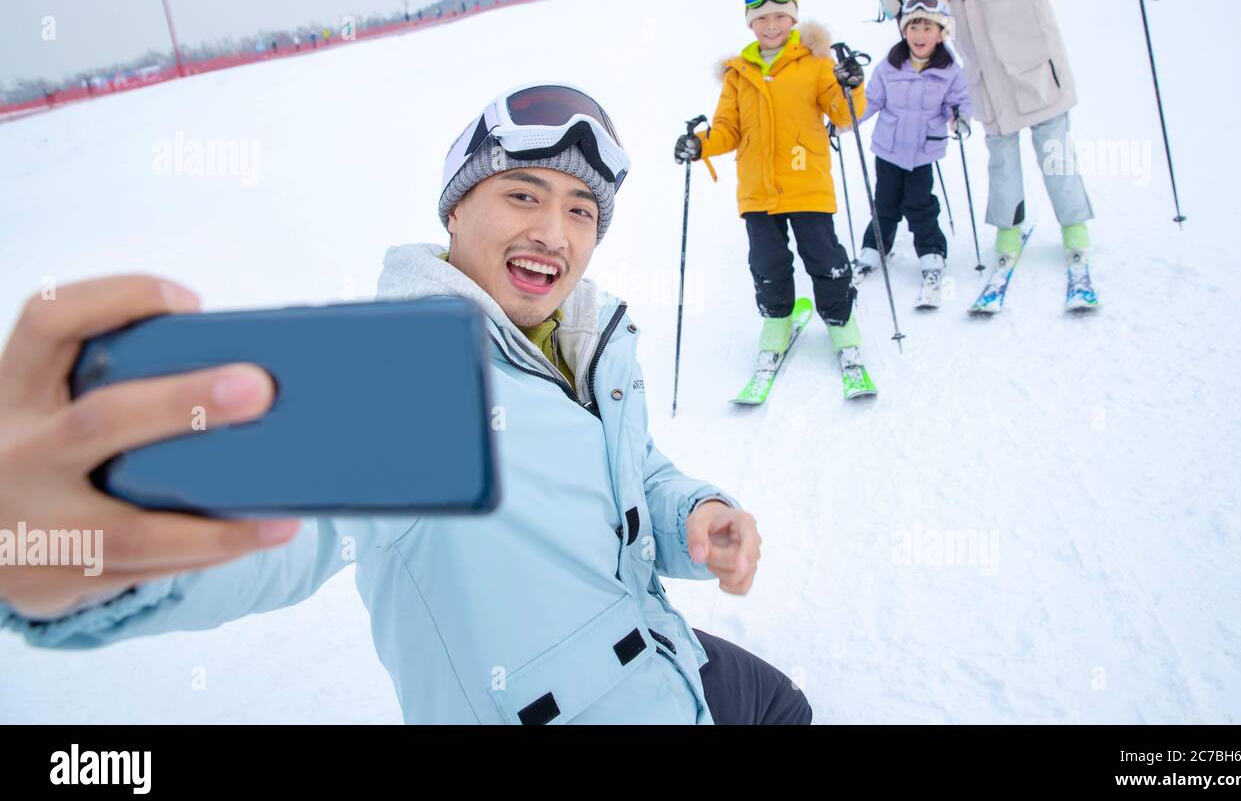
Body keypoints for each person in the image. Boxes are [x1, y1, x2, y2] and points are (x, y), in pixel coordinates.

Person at [0, 83, 810, 725]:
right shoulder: (401, 380)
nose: (555, 234)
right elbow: (285, 532)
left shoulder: (587, 340)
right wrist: (74, 549)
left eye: (580, 210)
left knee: (784, 706)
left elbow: (631, 467)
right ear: (454, 208)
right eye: (522, 196)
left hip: (665, 663)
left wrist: (691, 515)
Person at [883, 0, 1153, 296]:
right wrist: (899, 9)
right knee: (1002, 166)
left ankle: (1074, 229)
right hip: (989, 90)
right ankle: (1008, 233)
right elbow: (925, 13)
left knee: (1055, 157)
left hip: (1037, 79)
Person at [675, 0, 869, 383]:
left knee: (825, 259)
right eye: (762, 18)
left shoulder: (815, 63)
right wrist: (699, 145)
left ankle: (841, 323)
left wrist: (852, 84)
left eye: (780, 16)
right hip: (758, 192)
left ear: (793, 18)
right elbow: (727, 129)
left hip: (807, 184)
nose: (771, 25)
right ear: (750, 25)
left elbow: (844, 114)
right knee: (767, 264)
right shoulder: (738, 75)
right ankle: (777, 322)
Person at [852, 0, 972, 309]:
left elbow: (958, 100)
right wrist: (845, 120)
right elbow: (871, 101)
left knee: (920, 204)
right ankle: (874, 247)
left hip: (922, 151)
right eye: (914, 26)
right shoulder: (889, 66)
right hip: (888, 148)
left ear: (941, 33)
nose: (920, 34)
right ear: (904, 31)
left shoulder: (950, 71)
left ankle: (932, 252)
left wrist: (959, 117)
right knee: (885, 202)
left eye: (927, 27)